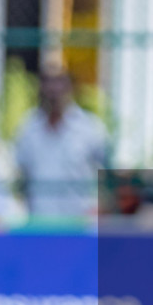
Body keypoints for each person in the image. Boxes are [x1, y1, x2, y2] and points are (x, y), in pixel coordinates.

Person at [13, 70, 108, 218]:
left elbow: (106, 171)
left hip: (79, 220)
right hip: (39, 219)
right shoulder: (28, 126)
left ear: (70, 89)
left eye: (59, 85)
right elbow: (21, 172)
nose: (54, 91)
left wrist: (101, 206)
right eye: (48, 85)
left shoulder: (89, 127)